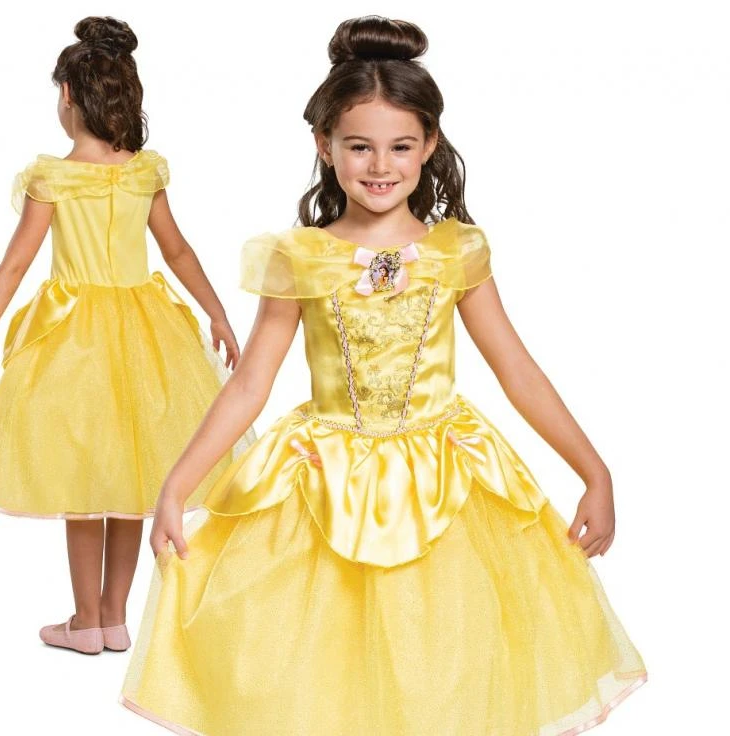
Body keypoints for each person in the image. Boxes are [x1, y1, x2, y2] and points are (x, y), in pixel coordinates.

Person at [121, 15, 646, 735]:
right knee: (321, 668)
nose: (380, 165)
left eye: (401, 146)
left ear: (429, 145)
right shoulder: (302, 256)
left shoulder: (456, 253)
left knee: (442, 664)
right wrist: (177, 486)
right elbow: (249, 384)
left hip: (444, 482)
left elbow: (517, 369)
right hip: (324, 482)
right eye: (359, 146)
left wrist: (595, 471)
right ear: (324, 144)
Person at [0, 16, 252, 656]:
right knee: (132, 479)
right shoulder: (142, 172)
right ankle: (114, 619)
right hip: (146, 331)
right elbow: (178, 252)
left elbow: (13, 268)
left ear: (68, 95)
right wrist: (216, 312)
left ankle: (84, 622)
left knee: (82, 482)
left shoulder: (53, 177)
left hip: (74, 339)